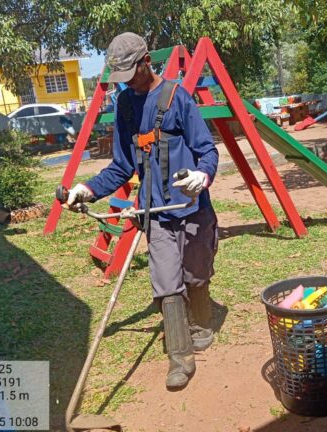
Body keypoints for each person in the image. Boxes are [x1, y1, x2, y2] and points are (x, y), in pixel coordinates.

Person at [64, 32, 219, 389]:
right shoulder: (125, 105)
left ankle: (201, 323)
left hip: (191, 206)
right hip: (157, 212)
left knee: (196, 274)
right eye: (122, 77)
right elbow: (121, 166)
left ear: (147, 61)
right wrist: (87, 190)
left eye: (132, 73)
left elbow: (207, 149)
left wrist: (202, 175)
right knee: (167, 283)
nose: (129, 83)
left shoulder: (177, 98)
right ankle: (180, 359)